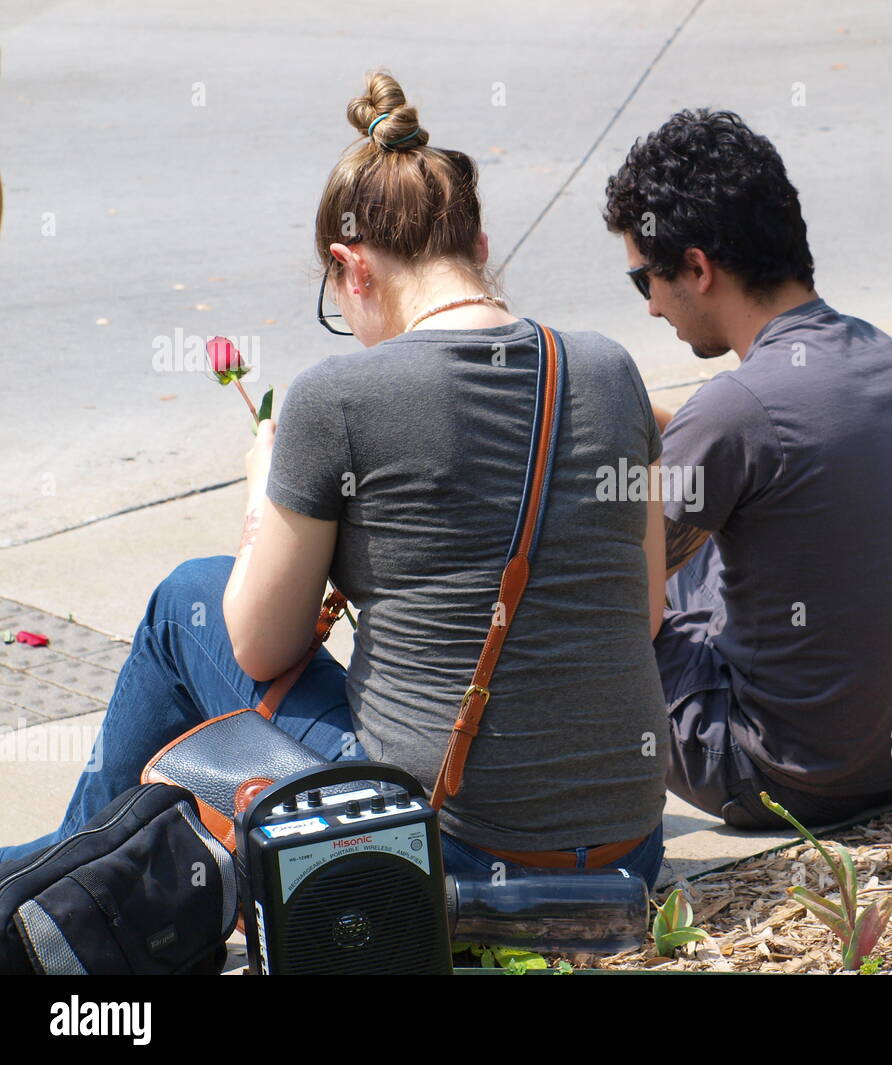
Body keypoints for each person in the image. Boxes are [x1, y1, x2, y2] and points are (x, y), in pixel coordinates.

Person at [0, 71, 669, 886]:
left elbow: (257, 641)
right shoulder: (609, 370)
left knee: (188, 601)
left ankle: (61, 872)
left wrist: (263, 488)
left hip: (437, 849)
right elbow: (644, 608)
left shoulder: (339, 397)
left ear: (353, 268)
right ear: (480, 248)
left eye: (337, 295)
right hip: (626, 850)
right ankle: (93, 865)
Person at [602, 108, 892, 831]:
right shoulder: (887, 359)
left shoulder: (734, 412)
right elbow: (758, 439)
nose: (649, 309)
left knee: (586, 581)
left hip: (775, 775)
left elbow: (621, 608)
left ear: (697, 268)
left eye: (645, 279)